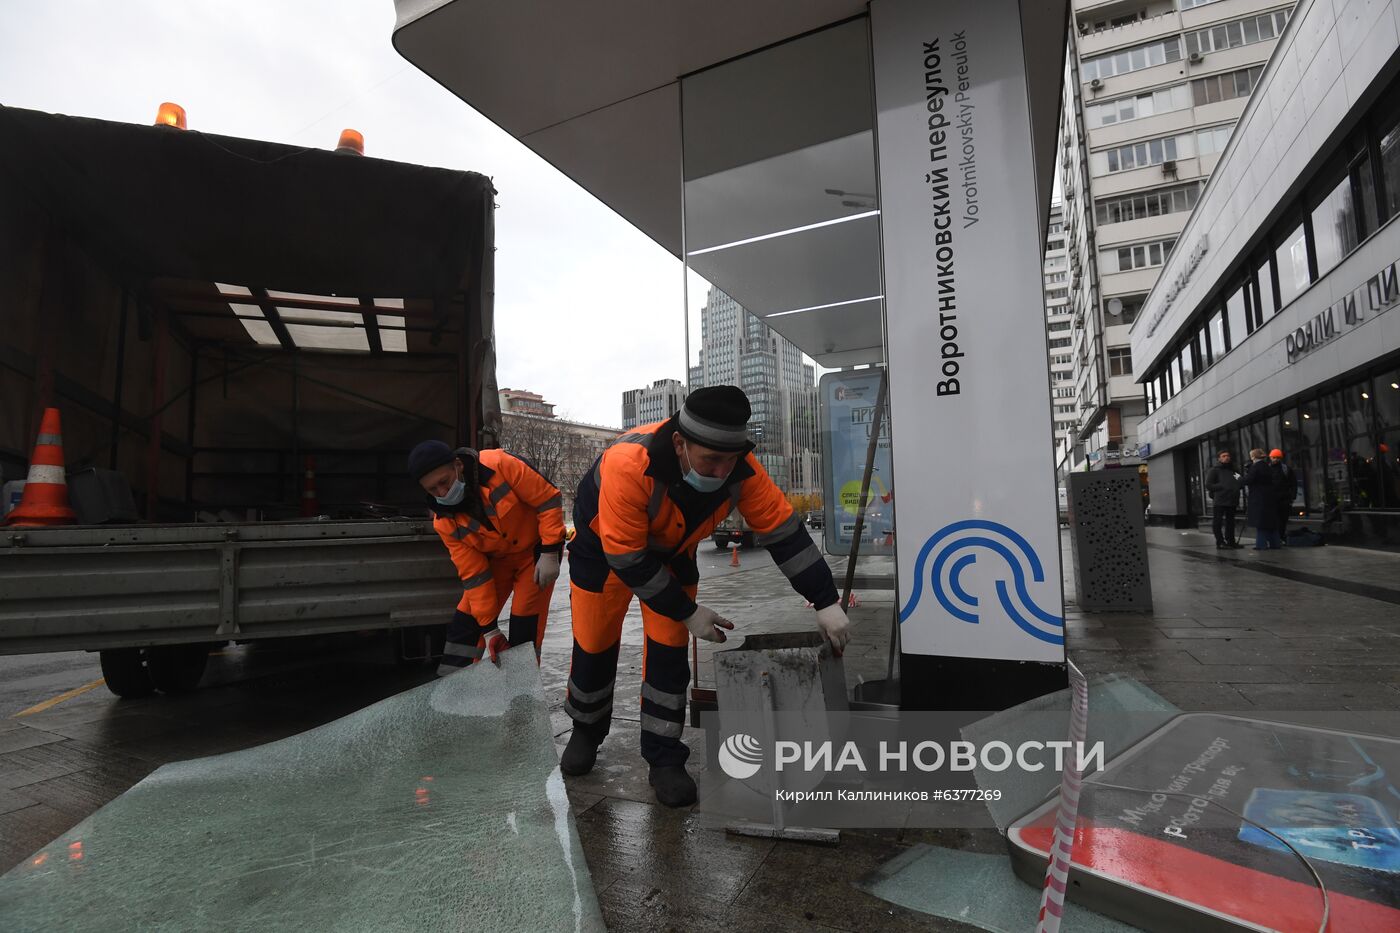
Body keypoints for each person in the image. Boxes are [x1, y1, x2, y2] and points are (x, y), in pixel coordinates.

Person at [561, 386, 851, 807]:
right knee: (593, 645)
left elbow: (784, 533)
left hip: (673, 553)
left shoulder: (741, 469)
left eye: (729, 460)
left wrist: (825, 601)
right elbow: (626, 558)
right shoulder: (628, 463)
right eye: (710, 459)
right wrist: (687, 610)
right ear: (680, 443)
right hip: (602, 556)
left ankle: (664, 758)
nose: (720, 472)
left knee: (668, 655)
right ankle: (586, 729)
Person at [409, 441, 565, 676]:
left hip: (534, 554)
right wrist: (490, 629)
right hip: (496, 561)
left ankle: (521, 691)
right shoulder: (444, 521)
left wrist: (550, 550)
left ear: (458, 465)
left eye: (444, 482)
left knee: (525, 622)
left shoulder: (500, 465)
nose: (441, 493)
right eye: (432, 490)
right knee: (467, 621)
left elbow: (548, 498)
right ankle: (452, 690)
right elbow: (474, 575)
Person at [1203, 450, 1243, 549]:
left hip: (1232, 500)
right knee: (1218, 522)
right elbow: (1208, 485)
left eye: (1228, 455)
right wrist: (1222, 486)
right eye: (1224, 456)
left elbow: (1241, 481)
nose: (1226, 457)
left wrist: (1236, 487)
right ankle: (1220, 542)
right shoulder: (1214, 470)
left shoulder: (1234, 471)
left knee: (1231, 522)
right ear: (1219, 459)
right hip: (1220, 500)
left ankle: (1231, 541)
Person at [1243, 448, 1281, 550]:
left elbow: (1247, 480)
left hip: (1258, 498)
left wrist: (1237, 476)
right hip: (1269, 497)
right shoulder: (1267, 466)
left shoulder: (1255, 467)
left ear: (1253, 457)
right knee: (1271, 523)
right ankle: (1275, 543)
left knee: (1261, 523)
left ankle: (1261, 545)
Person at [1269, 449, 1295, 545]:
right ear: (1270, 457)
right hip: (1272, 499)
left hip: (1284, 499)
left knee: (1282, 520)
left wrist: (1292, 497)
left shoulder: (1286, 469)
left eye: (1278, 458)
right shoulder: (1267, 469)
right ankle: (1276, 538)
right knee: (1274, 520)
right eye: (1274, 457)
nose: (1276, 459)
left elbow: (1293, 483)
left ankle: (1280, 537)